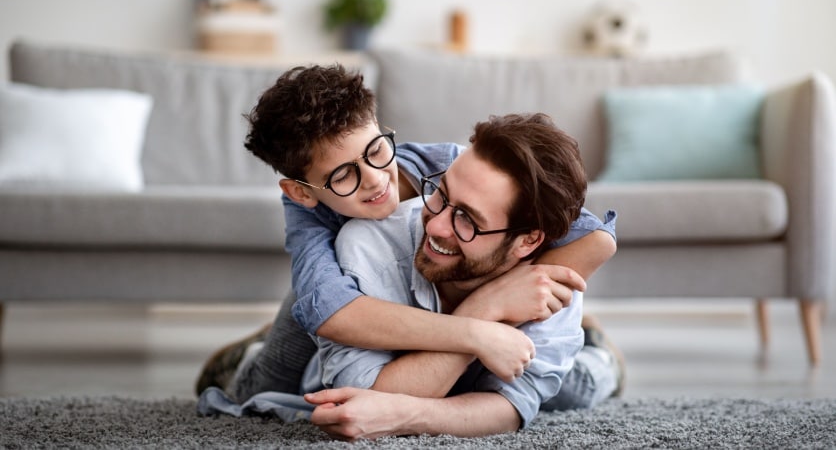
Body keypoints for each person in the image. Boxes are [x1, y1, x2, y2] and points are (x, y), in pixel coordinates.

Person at [195, 65, 619, 408]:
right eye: (343, 176)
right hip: (336, 295)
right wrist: (478, 319)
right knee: (270, 385)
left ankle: (601, 355)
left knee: (565, 390)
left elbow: (598, 241)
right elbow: (334, 315)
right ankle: (247, 354)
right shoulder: (311, 216)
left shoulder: (452, 165)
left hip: (442, 293)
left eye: (377, 152)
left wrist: (524, 293)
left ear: (381, 127)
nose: (376, 180)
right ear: (302, 192)